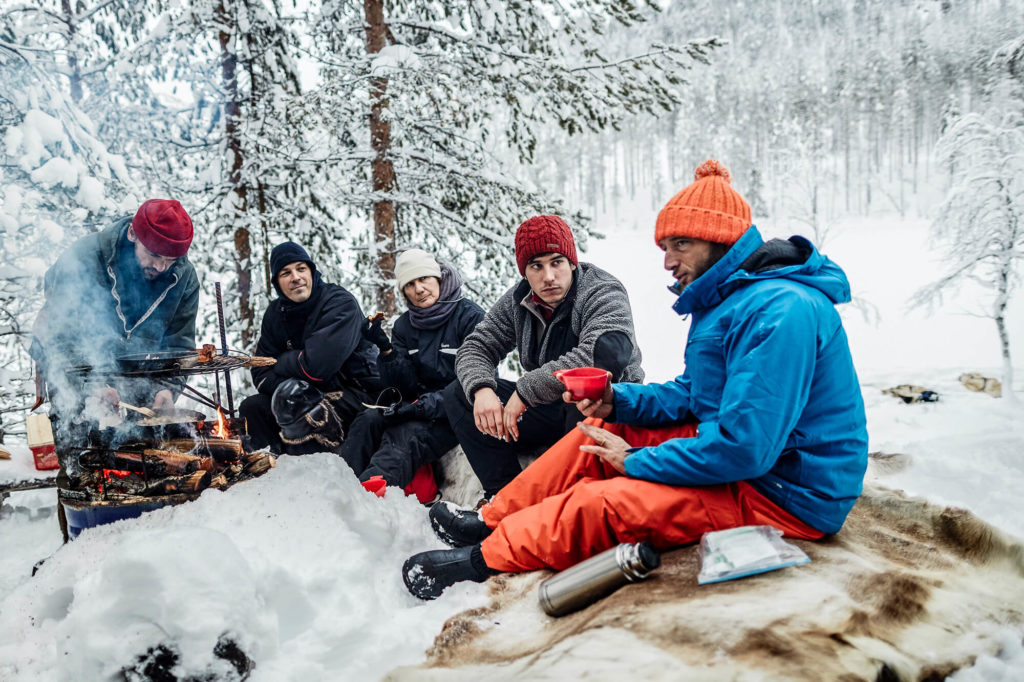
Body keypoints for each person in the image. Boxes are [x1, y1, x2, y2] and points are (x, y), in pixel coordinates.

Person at [403, 160, 869, 600]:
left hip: (784, 491)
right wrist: (617, 402)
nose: (667, 261)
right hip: (753, 459)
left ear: (719, 239)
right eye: (665, 248)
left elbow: (745, 449)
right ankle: (494, 517)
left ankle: (484, 559)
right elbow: (695, 394)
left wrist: (638, 461)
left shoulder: (779, 313)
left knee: (604, 499)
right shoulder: (732, 302)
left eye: (680, 245)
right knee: (599, 430)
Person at [31, 198, 200, 541]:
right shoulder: (84, 258)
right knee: (80, 449)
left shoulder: (183, 278)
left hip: (134, 373)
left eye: (171, 259)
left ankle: (143, 539)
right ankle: (77, 541)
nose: (161, 266)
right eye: (154, 255)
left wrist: (167, 389)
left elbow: (180, 345)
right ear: (134, 235)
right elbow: (60, 337)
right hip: (73, 365)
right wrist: (90, 388)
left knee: (139, 450)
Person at [441, 215, 644, 500]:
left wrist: (526, 390)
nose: (548, 276)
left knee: (583, 394)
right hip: (548, 409)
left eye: (556, 262)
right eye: (536, 266)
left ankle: (571, 501)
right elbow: (476, 346)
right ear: (525, 272)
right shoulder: (520, 300)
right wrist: (482, 389)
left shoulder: (601, 290)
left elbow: (605, 353)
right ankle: (504, 498)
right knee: (459, 395)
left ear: (572, 262)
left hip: (606, 408)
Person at [339, 249, 484, 500]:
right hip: (416, 405)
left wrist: (423, 407)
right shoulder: (405, 326)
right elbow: (403, 386)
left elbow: (479, 378)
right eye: (410, 284)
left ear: (438, 278)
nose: (419, 289)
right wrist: (386, 351)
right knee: (368, 421)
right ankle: (340, 487)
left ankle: (368, 499)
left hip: (457, 410)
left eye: (424, 279)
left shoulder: (469, 317)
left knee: (405, 435)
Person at [240, 242, 382, 454]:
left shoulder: (340, 304)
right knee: (252, 407)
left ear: (312, 272)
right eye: (285, 273)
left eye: (301, 268)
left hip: (358, 393)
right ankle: (269, 473)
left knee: (300, 406)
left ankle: (313, 476)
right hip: (310, 394)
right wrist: (293, 382)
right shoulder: (275, 315)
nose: (295, 277)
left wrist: (281, 362)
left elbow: (316, 367)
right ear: (278, 283)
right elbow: (261, 372)